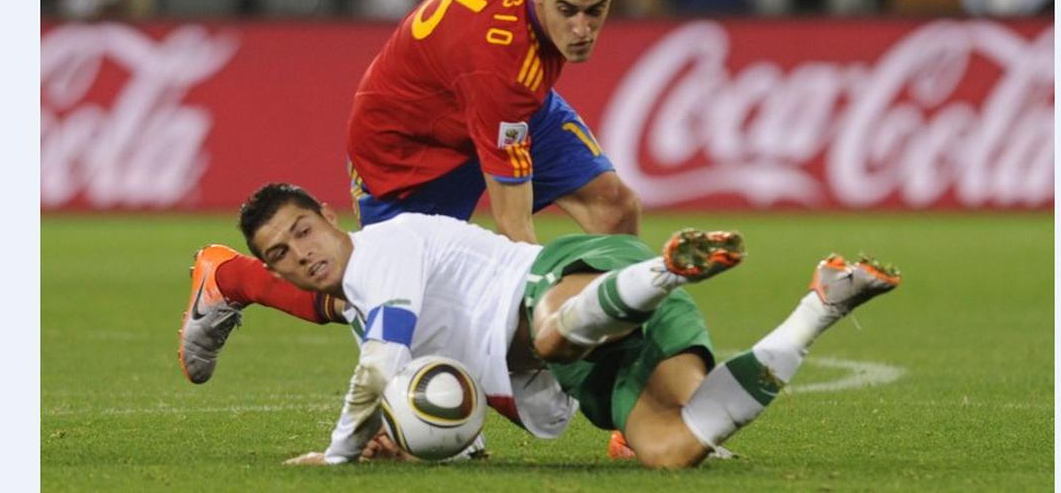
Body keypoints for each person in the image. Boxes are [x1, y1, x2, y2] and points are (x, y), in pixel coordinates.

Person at [179, 0, 696, 407]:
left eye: (597, 10)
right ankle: (232, 277)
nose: (582, 29)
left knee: (614, 208)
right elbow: (514, 235)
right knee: (373, 295)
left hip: (487, 103)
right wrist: (561, 321)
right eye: (567, 11)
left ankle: (632, 386)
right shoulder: (501, 67)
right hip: (406, 146)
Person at [232, 183, 900, 469]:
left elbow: (383, 361)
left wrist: (340, 453)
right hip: (585, 358)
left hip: (568, 277)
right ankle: (823, 303)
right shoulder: (364, 310)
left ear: (329, 216)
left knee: (551, 332)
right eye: (281, 254)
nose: (301, 254)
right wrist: (403, 444)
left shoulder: (385, 248)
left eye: (303, 230)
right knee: (673, 447)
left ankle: (669, 269)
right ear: (275, 268)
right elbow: (456, 423)